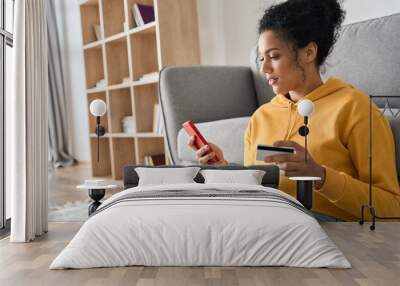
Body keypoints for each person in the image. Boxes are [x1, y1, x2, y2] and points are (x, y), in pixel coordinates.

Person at [188, 0, 400, 221]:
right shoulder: (261, 117)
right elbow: (256, 189)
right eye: (262, 58)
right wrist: (222, 167)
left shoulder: (355, 108)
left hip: (324, 232)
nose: (263, 68)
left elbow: (392, 207)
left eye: (274, 56)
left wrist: (321, 177)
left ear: (308, 53)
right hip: (265, 224)